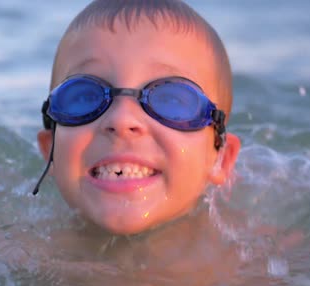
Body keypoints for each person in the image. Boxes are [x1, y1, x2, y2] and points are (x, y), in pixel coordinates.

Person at [32, 0, 241, 235]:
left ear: (220, 158)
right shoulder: (9, 249)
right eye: (85, 97)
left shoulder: (256, 262)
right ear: (50, 148)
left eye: (170, 99)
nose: (122, 120)